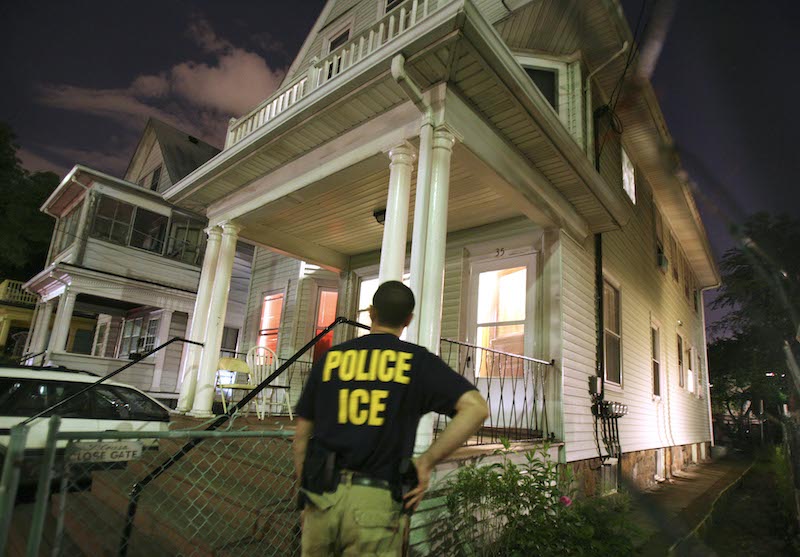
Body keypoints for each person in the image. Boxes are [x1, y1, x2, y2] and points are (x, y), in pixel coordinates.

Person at [293, 280, 489, 556]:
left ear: (371, 313)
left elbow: (301, 436)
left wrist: (306, 497)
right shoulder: (416, 362)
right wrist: (427, 461)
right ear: (408, 319)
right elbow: (476, 407)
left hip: (321, 498)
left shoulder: (331, 358)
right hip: (377, 507)